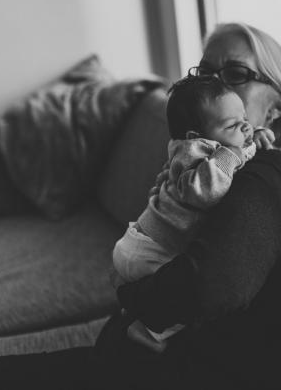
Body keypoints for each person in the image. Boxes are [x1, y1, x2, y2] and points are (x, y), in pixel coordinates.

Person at [0, 22, 281, 390]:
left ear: (277, 109)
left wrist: (130, 297)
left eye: (236, 73)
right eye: (206, 72)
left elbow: (209, 287)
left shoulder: (269, 174)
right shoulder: (208, 162)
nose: (218, 86)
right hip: (121, 369)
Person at [112, 74, 268, 349]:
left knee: (172, 287)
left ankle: (135, 307)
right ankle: (151, 331)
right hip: (153, 249)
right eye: (233, 124)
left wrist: (254, 139)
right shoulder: (195, 152)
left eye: (244, 117)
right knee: (193, 294)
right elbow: (205, 191)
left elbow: (240, 154)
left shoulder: (211, 147)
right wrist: (233, 153)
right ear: (197, 136)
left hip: (140, 243)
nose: (245, 126)